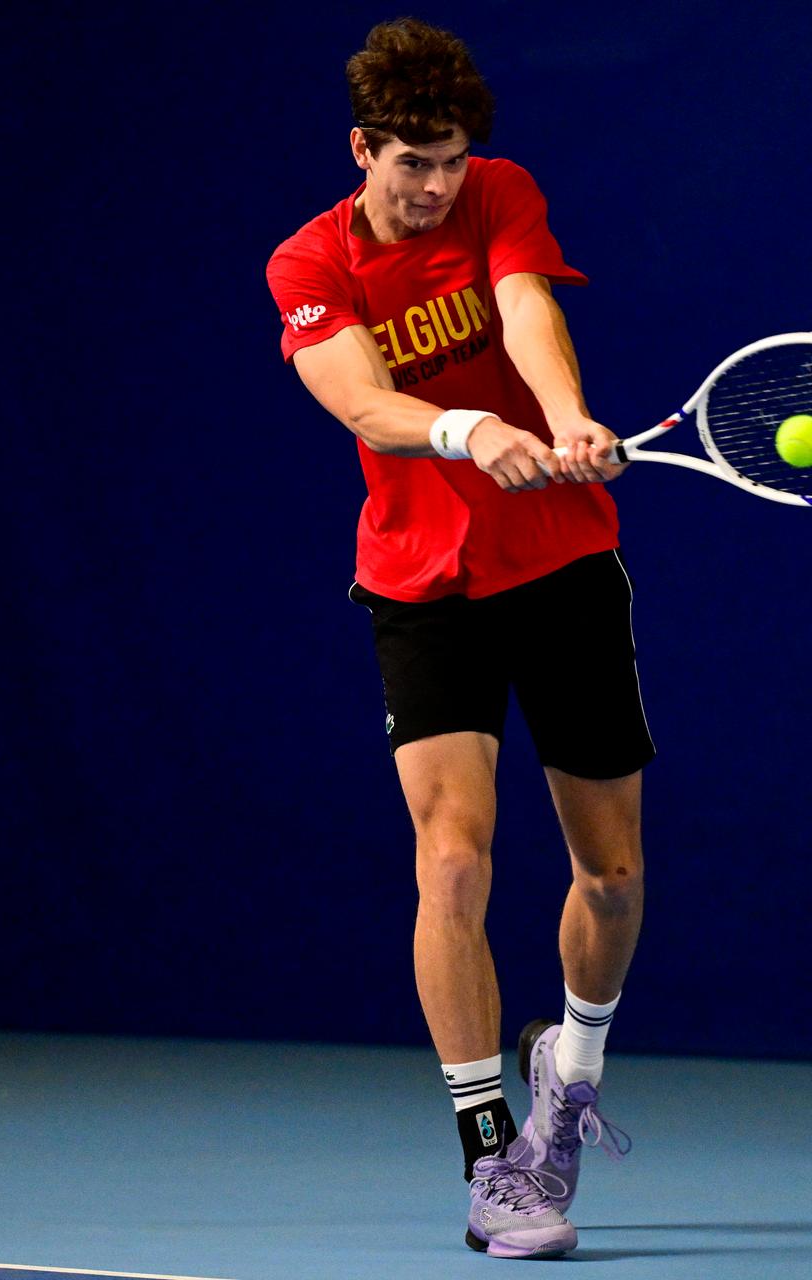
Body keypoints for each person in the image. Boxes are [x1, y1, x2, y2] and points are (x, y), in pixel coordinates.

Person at [264, 18, 653, 1260]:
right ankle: (492, 1157)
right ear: (362, 149)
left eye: (450, 162)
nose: (437, 185)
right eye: (413, 163)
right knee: (452, 862)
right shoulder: (308, 260)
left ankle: (569, 1071)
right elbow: (363, 401)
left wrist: (561, 413)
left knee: (613, 876)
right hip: (423, 584)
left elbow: (526, 307)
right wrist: (471, 432)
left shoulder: (499, 193)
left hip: (564, 566)